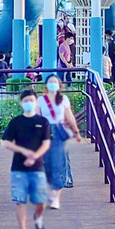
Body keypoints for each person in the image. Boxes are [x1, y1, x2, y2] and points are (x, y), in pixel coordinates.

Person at [2, 88, 52, 229]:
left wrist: (34, 156)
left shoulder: (43, 122)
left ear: (36, 102)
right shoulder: (15, 122)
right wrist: (23, 151)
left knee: (41, 201)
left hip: (37, 167)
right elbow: (7, 142)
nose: (29, 103)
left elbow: (46, 143)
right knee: (20, 201)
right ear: (21, 103)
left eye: (31, 100)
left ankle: (38, 217)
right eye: (26, 101)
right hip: (18, 168)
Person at [38, 75, 82, 210]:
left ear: (59, 85)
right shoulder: (40, 100)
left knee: (59, 162)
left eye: (55, 82)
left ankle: (56, 196)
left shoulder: (63, 100)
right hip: (45, 131)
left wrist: (76, 132)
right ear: (46, 85)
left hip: (59, 131)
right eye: (50, 82)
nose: (52, 84)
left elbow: (69, 117)